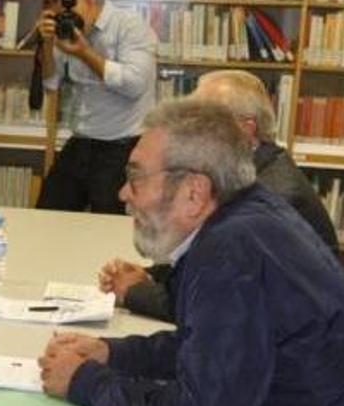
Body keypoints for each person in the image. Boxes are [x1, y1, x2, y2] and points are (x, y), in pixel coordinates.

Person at [39, 99, 344, 406]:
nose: (122, 194)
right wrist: (111, 353)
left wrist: (84, 382)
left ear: (194, 193)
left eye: (136, 178)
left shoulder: (228, 253)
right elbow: (210, 348)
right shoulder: (252, 213)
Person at [99, 69, 339, 321]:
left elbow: (216, 306)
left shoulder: (270, 197)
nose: (189, 131)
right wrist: (154, 275)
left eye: (206, 121)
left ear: (245, 130)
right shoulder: (245, 170)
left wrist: (135, 291)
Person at [35, 0, 156, 214]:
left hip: (122, 145)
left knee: (110, 226)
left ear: (89, 0)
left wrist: (84, 52)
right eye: (61, 15)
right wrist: (48, 44)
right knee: (48, 215)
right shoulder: (66, 30)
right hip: (82, 140)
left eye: (72, 12)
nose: (69, 19)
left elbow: (134, 85)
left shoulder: (128, 25)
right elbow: (50, 83)